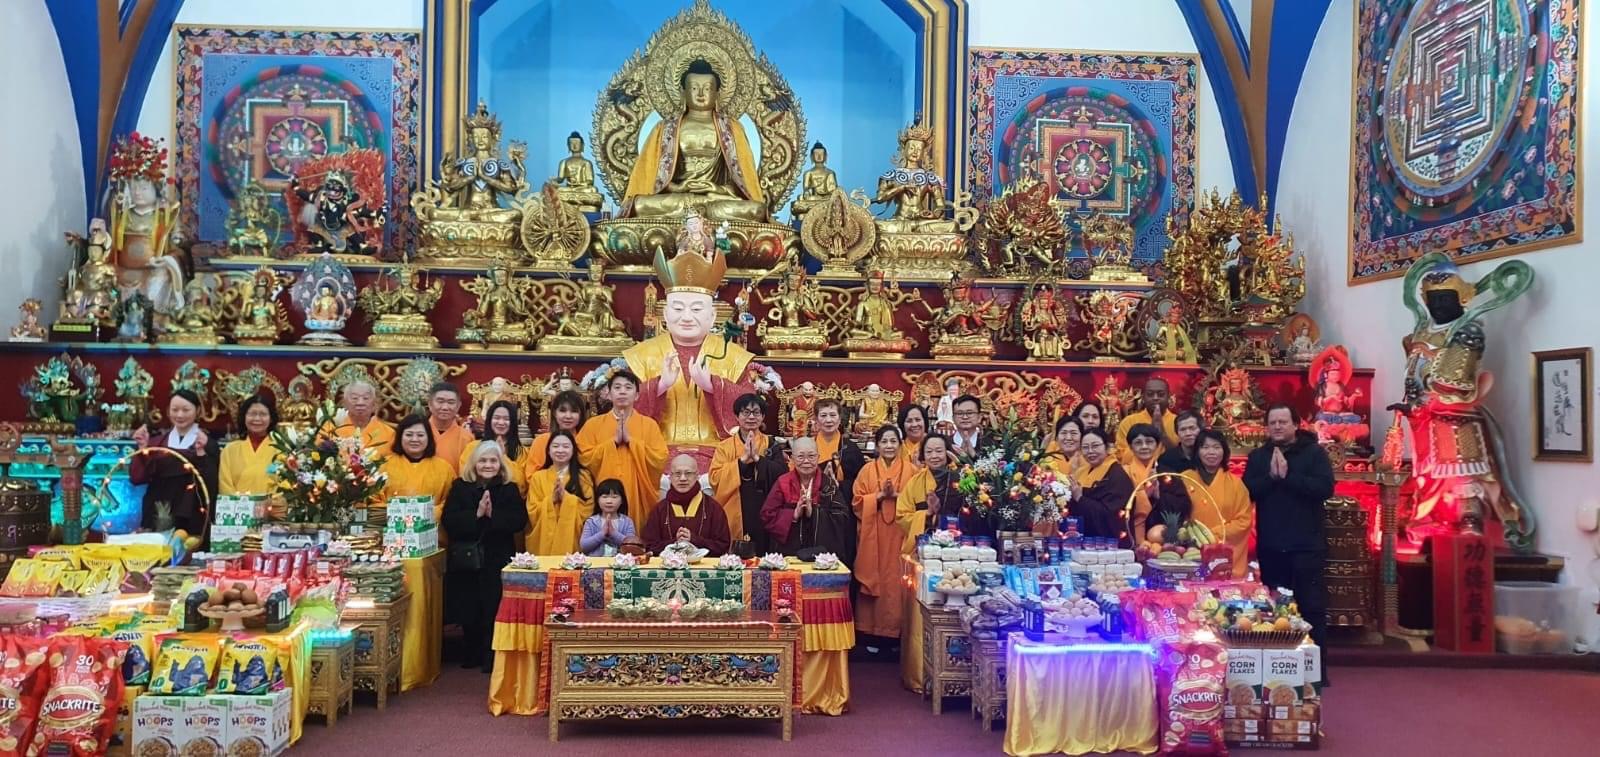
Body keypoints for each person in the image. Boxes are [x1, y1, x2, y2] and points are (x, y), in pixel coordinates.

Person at [1244, 404, 1333, 652]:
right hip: (1271, 546)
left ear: (1296, 424)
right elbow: (1247, 491)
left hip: (1307, 546)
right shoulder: (1258, 456)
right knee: (1275, 608)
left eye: (1283, 422)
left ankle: (1315, 665)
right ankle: (1279, 663)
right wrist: (1271, 478)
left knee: (1311, 607)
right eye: (1272, 423)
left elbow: (1325, 488)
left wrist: (1288, 477)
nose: (1277, 427)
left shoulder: (1314, 453)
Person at [441, 441, 528, 672]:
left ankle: (492, 656)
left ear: (500, 464)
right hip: (467, 558)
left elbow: (519, 520)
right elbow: (449, 519)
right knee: (468, 606)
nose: (488, 465)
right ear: (474, 463)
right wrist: (476, 514)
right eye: (483, 460)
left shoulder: (509, 488)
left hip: (497, 556)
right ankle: (471, 653)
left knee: (494, 606)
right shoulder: (460, 487)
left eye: (493, 461)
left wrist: (493, 514)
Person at [853, 424, 919, 650]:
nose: (889, 446)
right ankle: (872, 634)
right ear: (877, 446)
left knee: (898, 581)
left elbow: (918, 501)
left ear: (900, 444)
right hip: (874, 535)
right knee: (875, 576)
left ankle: (898, 635)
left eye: (893, 441)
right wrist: (879, 496)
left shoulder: (912, 470)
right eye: (884, 441)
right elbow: (857, 502)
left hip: (901, 534)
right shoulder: (867, 470)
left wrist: (898, 495)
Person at [576, 370, 669, 526]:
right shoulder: (593, 425)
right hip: (603, 492)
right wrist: (612, 443)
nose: (622, 392)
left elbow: (660, 458)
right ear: (608, 394)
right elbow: (582, 457)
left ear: (637, 395)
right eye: (617, 387)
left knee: (634, 533)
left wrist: (631, 442)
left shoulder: (649, 425)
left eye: (628, 387)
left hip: (637, 492)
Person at [130, 390, 220, 534]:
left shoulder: (208, 444)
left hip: (192, 508)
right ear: (168, 411)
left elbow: (211, 483)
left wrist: (201, 454)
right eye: (175, 410)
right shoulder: (156, 442)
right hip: (158, 506)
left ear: (198, 411)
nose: (180, 415)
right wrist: (143, 449)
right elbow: (137, 478)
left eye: (186, 410)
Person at [708, 393, 788, 552]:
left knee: (763, 554)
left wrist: (759, 459)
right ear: (737, 416)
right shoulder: (724, 447)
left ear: (763, 417)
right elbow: (715, 478)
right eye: (746, 412)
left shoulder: (771, 444)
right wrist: (742, 461)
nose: (751, 417)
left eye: (756, 412)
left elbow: (782, 475)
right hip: (735, 505)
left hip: (764, 505)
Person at [760, 438, 856, 561]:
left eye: (811, 456)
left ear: (818, 457)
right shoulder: (782, 482)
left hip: (822, 558)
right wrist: (793, 515)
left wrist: (813, 512)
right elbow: (767, 516)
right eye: (800, 457)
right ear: (792, 458)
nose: (806, 461)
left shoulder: (828, 484)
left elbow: (842, 517)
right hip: (787, 556)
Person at [1182, 430, 1254, 577]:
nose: (1211, 452)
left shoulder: (1236, 484)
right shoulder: (1184, 479)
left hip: (1223, 555)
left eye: (1216, 447)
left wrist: (1212, 535)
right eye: (1205, 447)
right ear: (1197, 451)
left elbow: (1243, 521)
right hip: (1191, 550)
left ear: (1224, 451)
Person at [642, 454, 732, 554]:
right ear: (670, 477)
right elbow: (649, 546)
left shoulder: (713, 508)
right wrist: (675, 543)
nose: (683, 478)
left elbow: (723, 546)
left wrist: (694, 540)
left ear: (697, 476)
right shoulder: (659, 510)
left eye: (688, 473)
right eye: (677, 473)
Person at [896, 433, 974, 548]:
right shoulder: (915, 482)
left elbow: (972, 513)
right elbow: (901, 516)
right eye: (928, 452)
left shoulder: (961, 479)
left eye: (939, 451)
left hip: (958, 544)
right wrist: (927, 513)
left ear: (948, 453)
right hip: (925, 544)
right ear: (923, 455)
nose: (934, 456)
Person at [525, 429, 592, 555]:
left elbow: (587, 510)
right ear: (548, 451)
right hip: (544, 540)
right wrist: (552, 500)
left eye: (566, 446)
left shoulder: (583, 477)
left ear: (573, 450)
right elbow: (532, 511)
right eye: (555, 446)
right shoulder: (538, 477)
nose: (560, 450)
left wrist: (566, 499)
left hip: (572, 541)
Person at [380, 415, 456, 525]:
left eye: (420, 435)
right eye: (409, 435)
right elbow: (373, 500)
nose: (414, 439)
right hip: (392, 528)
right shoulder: (384, 466)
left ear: (429, 438)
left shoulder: (444, 468)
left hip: (430, 528)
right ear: (400, 437)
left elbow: (451, 501)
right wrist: (397, 514)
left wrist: (427, 514)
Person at [1070, 428, 1135, 543]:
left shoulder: (1117, 476)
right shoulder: (1081, 472)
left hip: (1109, 543)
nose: (1090, 451)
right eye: (1085, 447)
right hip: (1082, 538)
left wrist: (1080, 498)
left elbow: (1111, 515)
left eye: (1095, 446)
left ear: (1107, 447)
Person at [219, 395, 281, 496]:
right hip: (238, 505)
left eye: (263, 414)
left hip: (271, 505)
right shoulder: (230, 450)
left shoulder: (280, 449)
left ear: (271, 419)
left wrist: (268, 503)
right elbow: (224, 486)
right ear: (244, 417)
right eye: (252, 414)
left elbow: (284, 486)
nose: (257, 418)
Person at [465, 400, 526, 495]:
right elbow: (466, 477)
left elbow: (522, 486)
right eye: (496, 418)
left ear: (513, 422)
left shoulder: (521, 452)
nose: (501, 422)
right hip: (474, 497)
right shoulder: (473, 447)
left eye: (506, 419)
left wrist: (502, 457)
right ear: (489, 420)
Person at [1115, 378, 1178, 464]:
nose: (1155, 398)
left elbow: (1182, 456)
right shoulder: (1129, 422)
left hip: (1170, 470)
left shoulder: (1178, 422)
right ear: (1143, 397)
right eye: (1150, 394)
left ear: (1168, 396)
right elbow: (1121, 456)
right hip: (1136, 471)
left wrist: (1162, 434)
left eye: (1161, 394)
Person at [525, 390, 587, 473]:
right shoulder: (542, 441)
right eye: (563, 411)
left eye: (574, 411)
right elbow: (531, 474)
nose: (568, 416)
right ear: (554, 413)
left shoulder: (587, 441)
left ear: (581, 414)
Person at [813, 398, 866, 496]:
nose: (828, 420)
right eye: (823, 415)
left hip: (843, 499)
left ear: (840, 419)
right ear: (816, 420)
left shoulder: (851, 448)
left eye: (833, 415)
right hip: (813, 498)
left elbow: (861, 482)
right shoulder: (808, 446)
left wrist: (839, 485)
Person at [327, 380, 394, 450]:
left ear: (375, 404)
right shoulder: (331, 430)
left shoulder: (389, 434)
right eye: (354, 398)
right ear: (344, 403)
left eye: (366, 398)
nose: (360, 403)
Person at [579, 479, 637, 556]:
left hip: (620, 563)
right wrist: (602, 533)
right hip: (596, 562)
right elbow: (584, 546)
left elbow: (632, 547)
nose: (609, 501)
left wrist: (613, 533)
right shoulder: (591, 522)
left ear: (622, 500)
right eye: (604, 497)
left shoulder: (627, 522)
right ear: (597, 500)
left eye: (614, 497)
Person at [427, 382, 475, 473]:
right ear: (430, 404)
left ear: (458, 406)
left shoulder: (467, 438)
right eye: (440, 401)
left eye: (451, 402)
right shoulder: (417, 434)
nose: (445, 407)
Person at [948, 394, 991, 460]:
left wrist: (973, 456)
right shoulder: (945, 443)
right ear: (953, 418)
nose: (965, 417)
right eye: (959, 413)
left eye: (970, 413)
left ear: (979, 417)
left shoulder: (990, 443)